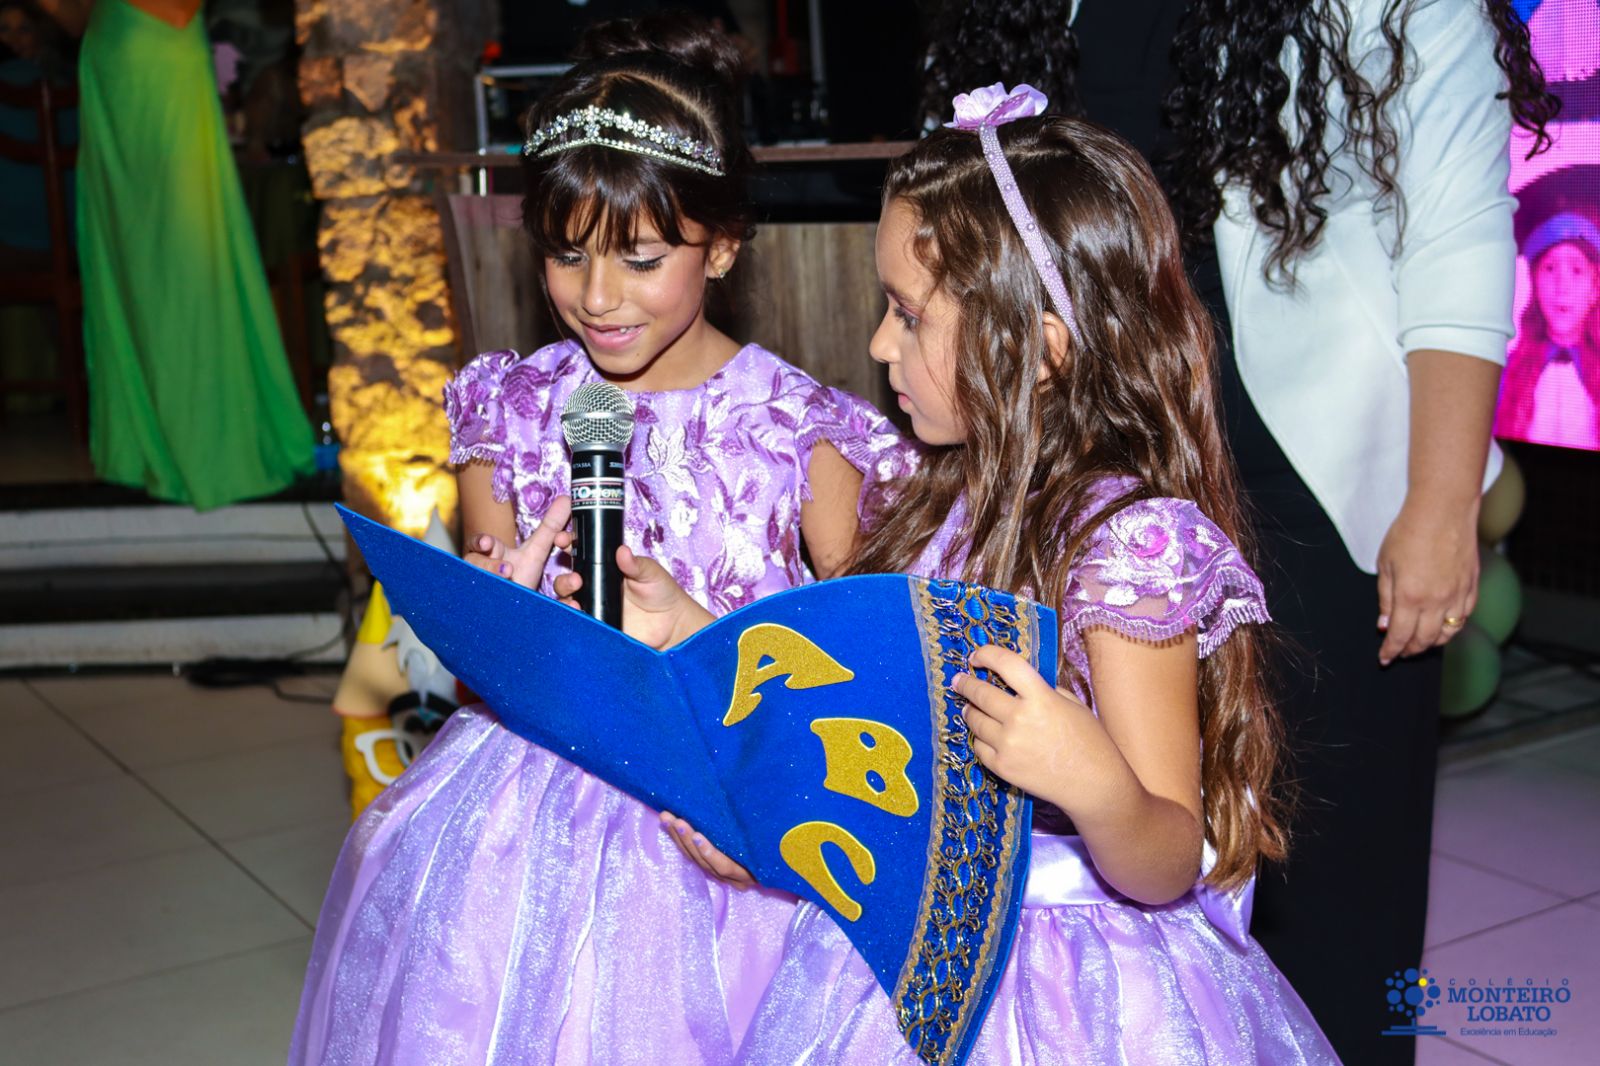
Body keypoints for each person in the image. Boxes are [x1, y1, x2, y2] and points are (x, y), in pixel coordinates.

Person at [578, 89, 1338, 1065]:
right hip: (903, 953)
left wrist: (1095, 784)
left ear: (1041, 348)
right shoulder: (925, 501)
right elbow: (870, 745)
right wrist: (695, 629)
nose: (877, 344)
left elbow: (1163, 859)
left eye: (908, 315)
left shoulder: (1127, 548)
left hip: (1074, 986)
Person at [918, 4, 1557, 1061]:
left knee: (1338, 879)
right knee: (1117, 863)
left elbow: (1457, 234)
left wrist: (1444, 500)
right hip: (1097, 478)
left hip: (1317, 488)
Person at [289, 14, 908, 1065]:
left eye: (641, 257)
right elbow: (484, 667)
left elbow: (862, 672)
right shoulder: (511, 410)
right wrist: (499, 617)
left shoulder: (802, 433)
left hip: (726, 813)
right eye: (566, 255)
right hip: (531, 807)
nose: (597, 296)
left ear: (722, 244)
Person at [71, 0, 313, 508]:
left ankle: (151, 442)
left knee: (150, 261)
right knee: (184, 258)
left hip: (121, 38)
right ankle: (202, 449)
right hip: (155, 37)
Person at [1495, 211, 1600, 448]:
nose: (1562, 287)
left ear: (1595, 289)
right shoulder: (1506, 374)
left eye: (1577, 271)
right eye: (1550, 269)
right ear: (1534, 284)